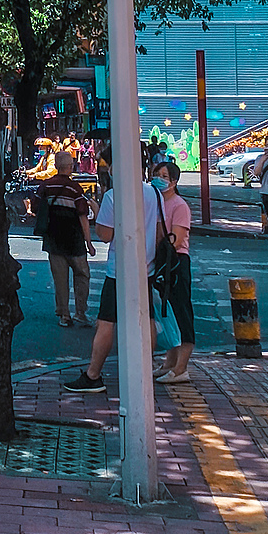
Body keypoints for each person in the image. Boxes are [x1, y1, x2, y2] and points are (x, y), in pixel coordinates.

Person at [66, 166, 165, 394]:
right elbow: (160, 232)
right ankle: (145, 366)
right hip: (146, 266)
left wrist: (98, 209)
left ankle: (93, 374)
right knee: (146, 317)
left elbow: (105, 234)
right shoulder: (154, 193)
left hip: (120, 268)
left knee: (106, 321)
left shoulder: (113, 196)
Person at [36, 148, 94, 328]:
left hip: (53, 240)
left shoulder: (45, 186)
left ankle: (64, 315)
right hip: (74, 240)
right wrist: (89, 243)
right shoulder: (75, 188)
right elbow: (83, 217)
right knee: (82, 275)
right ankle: (80, 312)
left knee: (60, 279)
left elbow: (36, 207)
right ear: (69, 167)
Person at [150, 158, 194, 384]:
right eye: (157, 174)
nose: (159, 179)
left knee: (181, 312)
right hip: (160, 262)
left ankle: (181, 368)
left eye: (164, 176)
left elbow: (175, 240)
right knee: (167, 315)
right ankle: (170, 363)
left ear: (174, 181)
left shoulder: (179, 205)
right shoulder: (154, 201)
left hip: (175, 262)